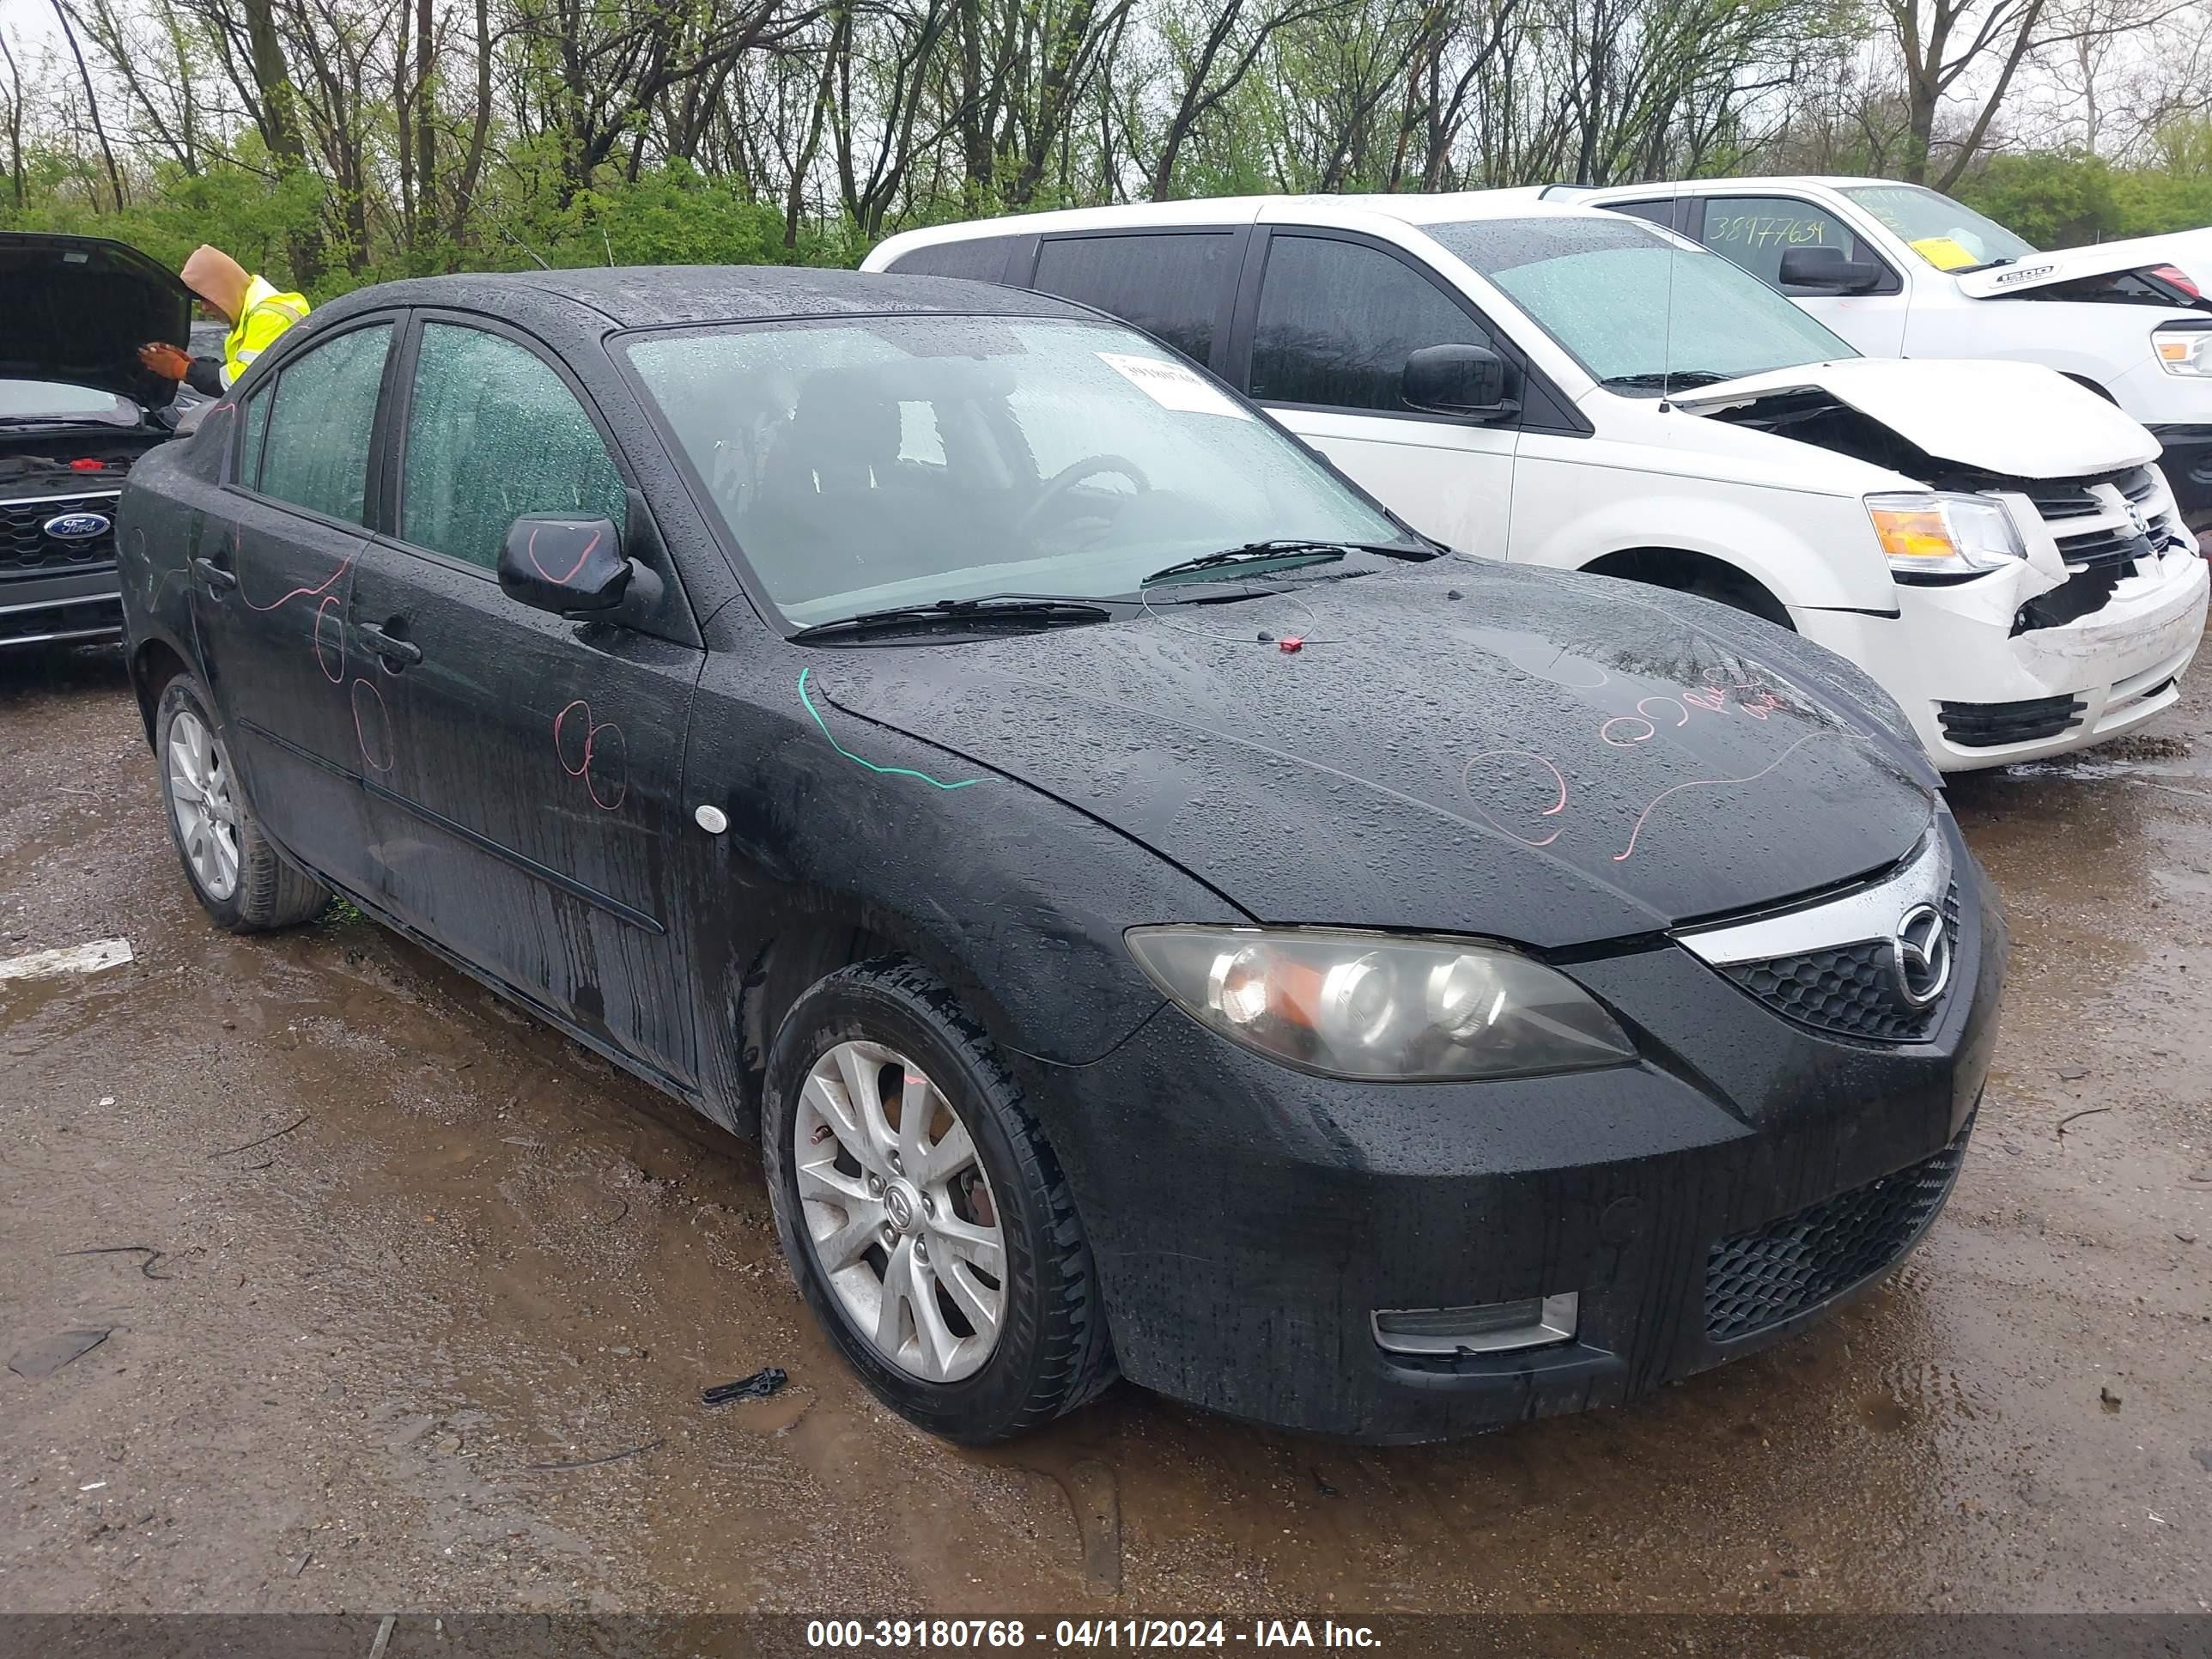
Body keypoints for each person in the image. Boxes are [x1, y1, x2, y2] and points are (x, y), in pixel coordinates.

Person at [137, 246, 310, 398]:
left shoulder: (269, 316)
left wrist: (180, 369)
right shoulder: (252, 317)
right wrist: (192, 364)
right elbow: (236, 370)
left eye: (205, 298)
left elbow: (244, 382)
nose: (203, 308)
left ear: (221, 289)